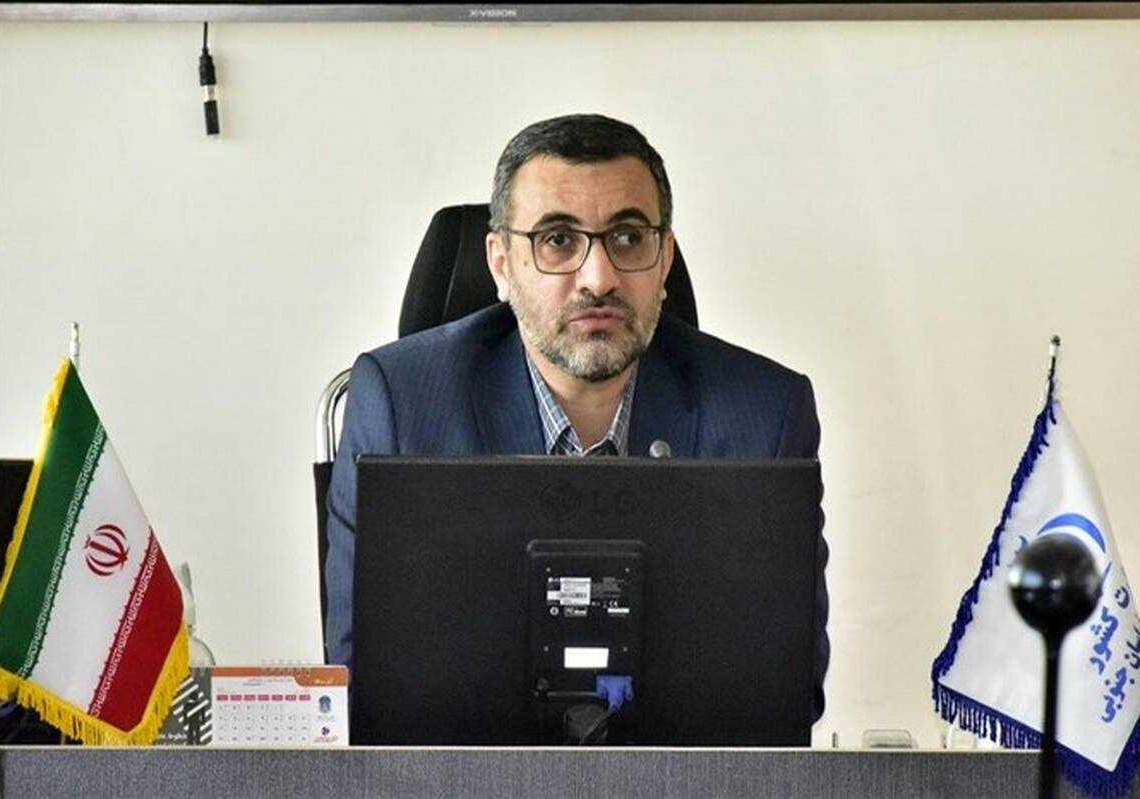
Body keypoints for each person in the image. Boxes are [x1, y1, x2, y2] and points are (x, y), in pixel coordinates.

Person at [325, 113, 829, 719]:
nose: (598, 278)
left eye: (628, 237)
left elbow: (783, 693)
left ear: (664, 258)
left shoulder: (765, 415)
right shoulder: (400, 406)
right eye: (558, 240)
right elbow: (361, 682)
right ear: (502, 264)